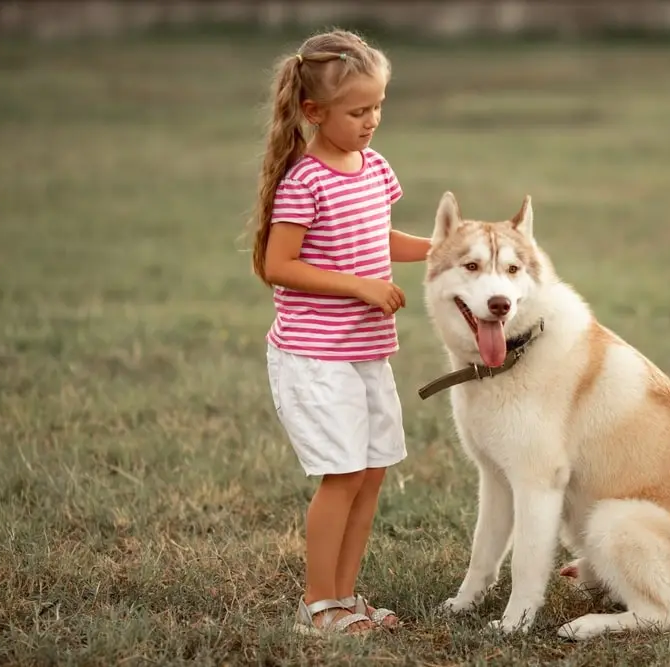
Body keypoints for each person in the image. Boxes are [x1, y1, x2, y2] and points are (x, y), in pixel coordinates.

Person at [248, 28, 431, 636]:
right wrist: (360, 286)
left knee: (373, 472)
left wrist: (443, 249)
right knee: (344, 474)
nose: (372, 120)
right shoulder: (304, 180)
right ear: (313, 112)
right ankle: (316, 605)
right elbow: (279, 265)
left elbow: (378, 238)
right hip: (314, 356)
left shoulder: (373, 166)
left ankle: (346, 601)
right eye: (358, 110)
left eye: (378, 106)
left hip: (364, 353)